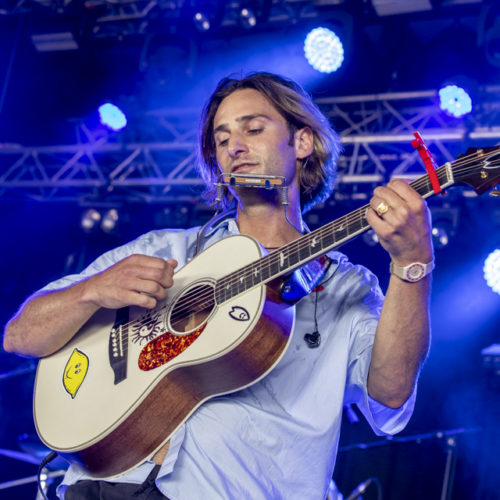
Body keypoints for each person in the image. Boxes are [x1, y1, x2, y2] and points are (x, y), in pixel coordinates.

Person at [3, 72, 433, 499]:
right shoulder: (164, 249)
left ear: (302, 142)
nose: (234, 147)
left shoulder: (345, 286)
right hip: (97, 486)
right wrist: (92, 290)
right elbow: (20, 336)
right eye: (222, 138)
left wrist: (413, 263)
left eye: (253, 129)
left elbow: (391, 395)